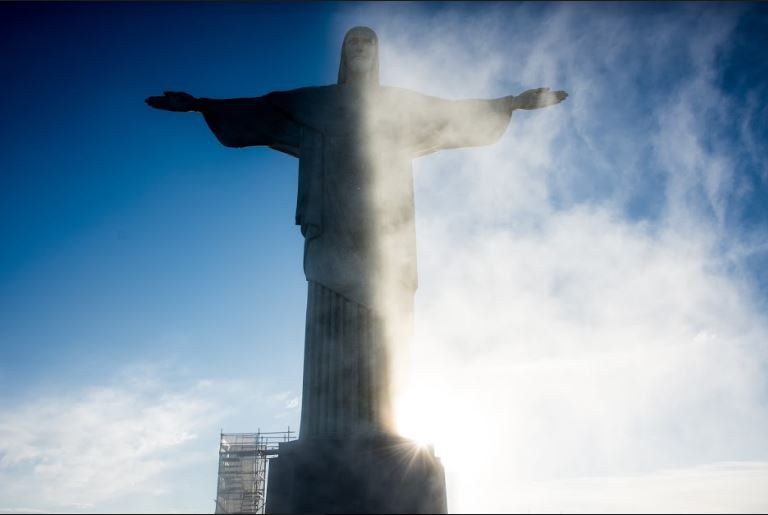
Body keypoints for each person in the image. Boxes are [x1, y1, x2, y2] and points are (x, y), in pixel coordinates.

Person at [147, 26, 567, 438]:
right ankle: (327, 436)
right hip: (332, 230)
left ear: (378, 53)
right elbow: (261, 109)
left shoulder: (398, 106)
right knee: (332, 316)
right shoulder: (314, 103)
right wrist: (200, 104)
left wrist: (511, 102)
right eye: (354, 41)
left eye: (369, 41)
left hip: (385, 233)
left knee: (386, 323)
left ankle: (384, 433)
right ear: (344, 54)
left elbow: (450, 115)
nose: (362, 47)